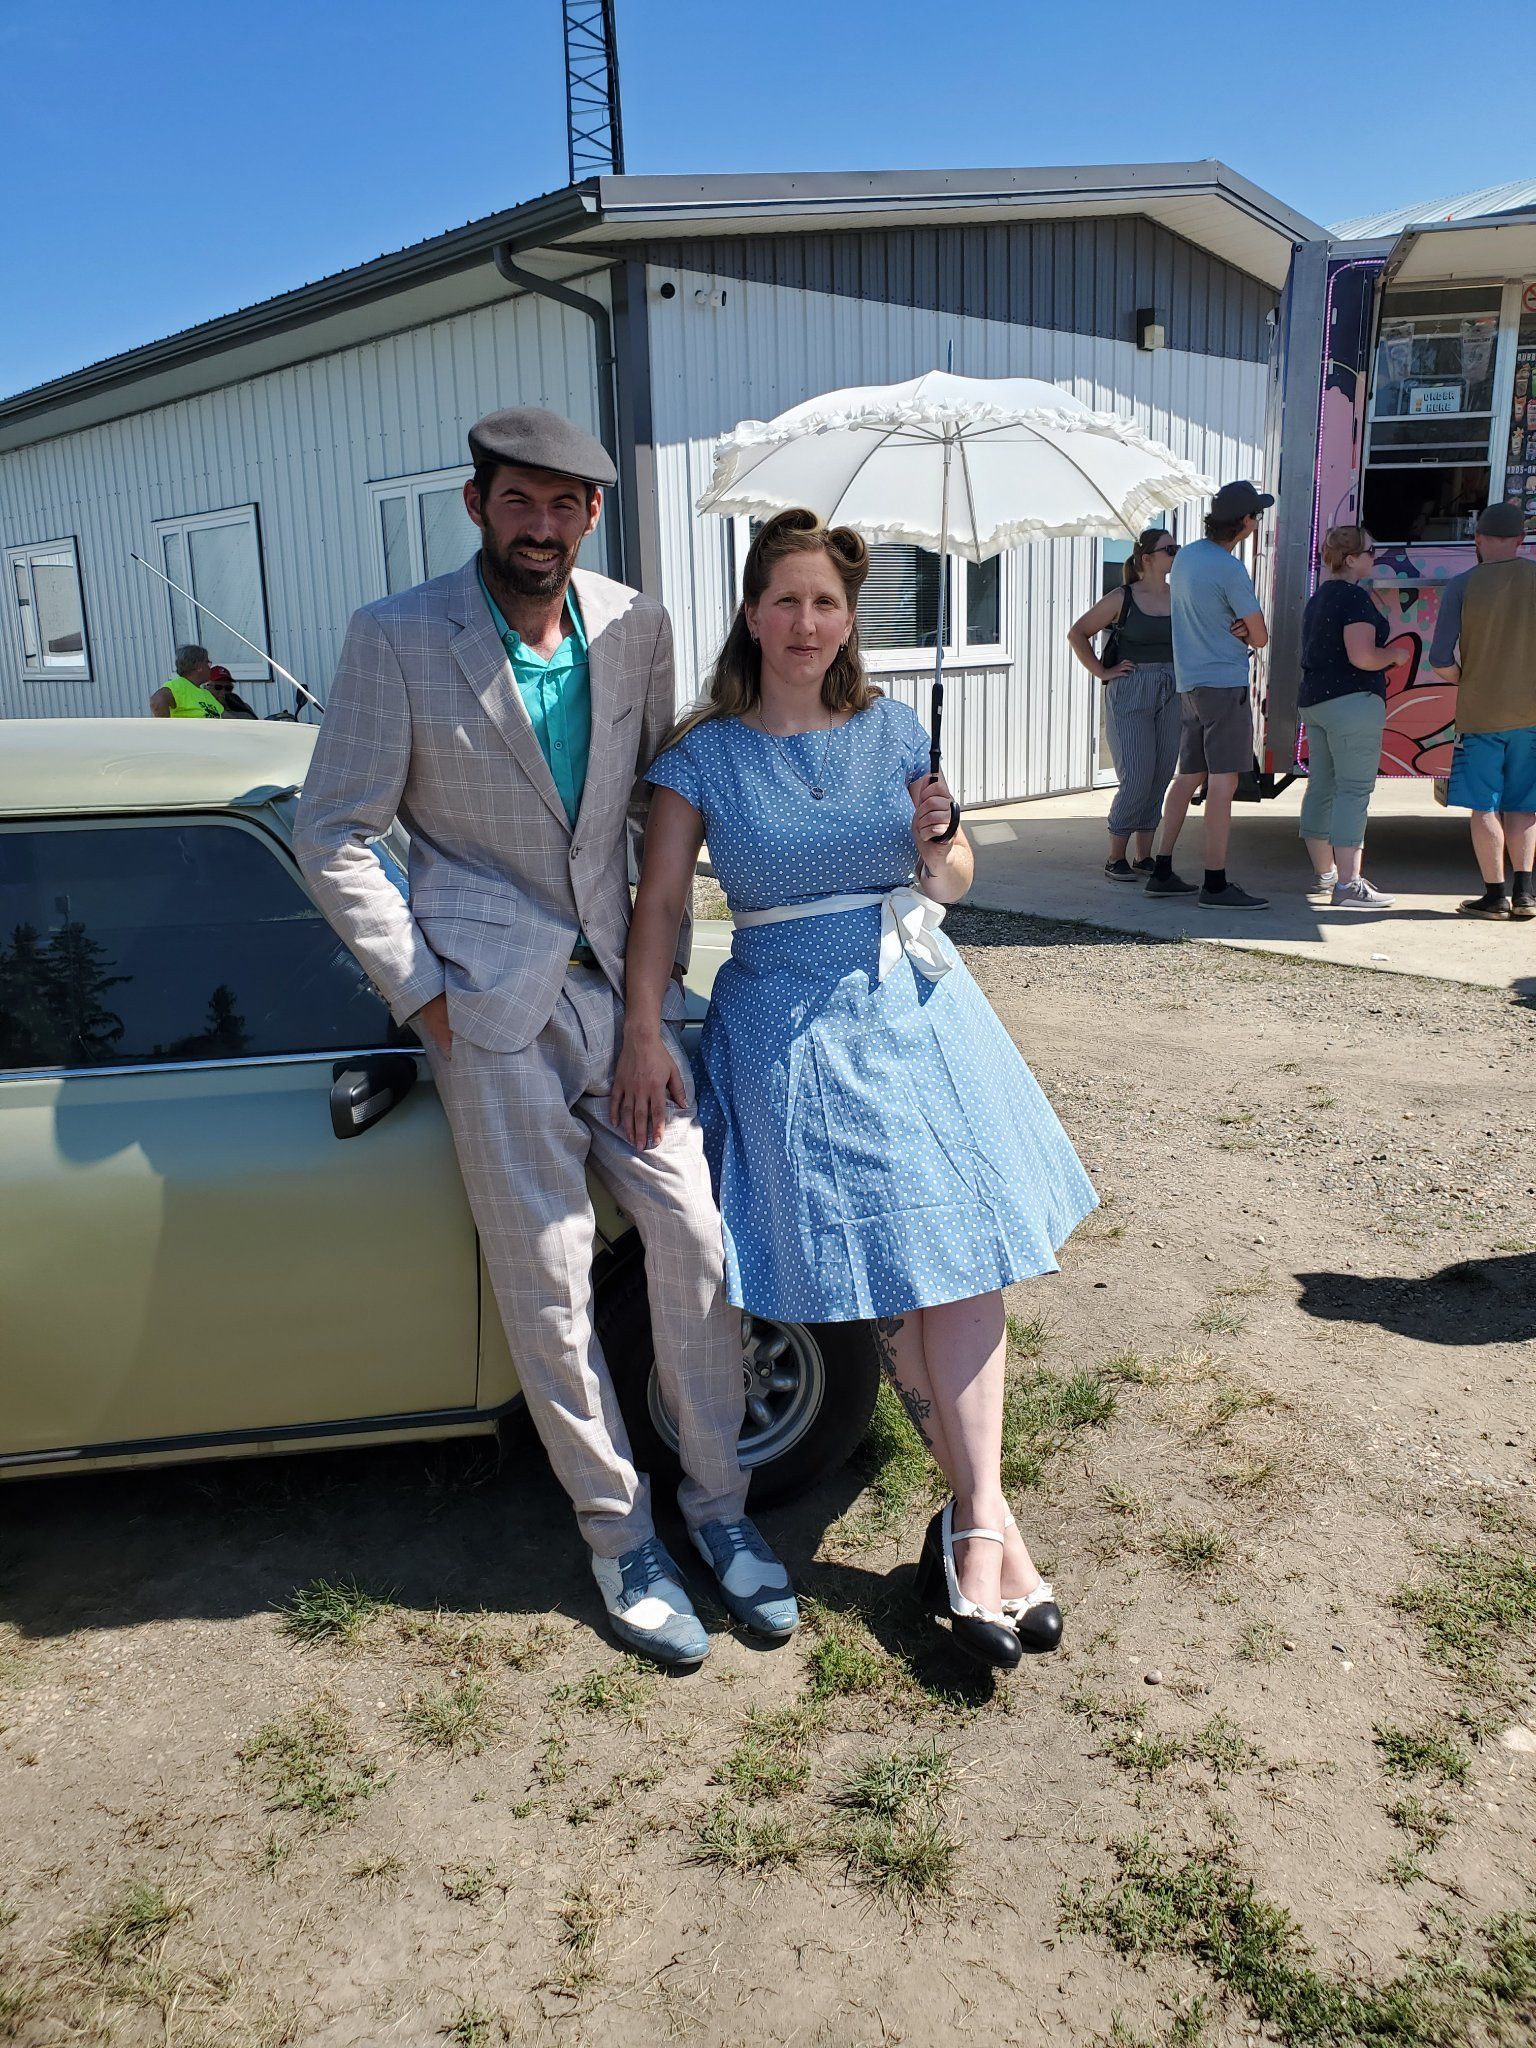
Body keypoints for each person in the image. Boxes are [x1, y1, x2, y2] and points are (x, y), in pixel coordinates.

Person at [295, 406, 794, 1668]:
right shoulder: (395, 635)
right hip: (488, 1009)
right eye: (519, 501)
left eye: (565, 505)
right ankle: (618, 1531)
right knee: (550, 1276)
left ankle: (719, 1508)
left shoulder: (634, 626)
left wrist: (648, 1004)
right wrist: (428, 994)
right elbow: (333, 829)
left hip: (623, 1000)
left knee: (692, 1228)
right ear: (478, 505)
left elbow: (643, 823)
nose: (542, 525)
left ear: (591, 516)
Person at [615, 509, 1098, 1674]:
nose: (806, 622)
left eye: (825, 603)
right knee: (893, 1274)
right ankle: (992, 1531)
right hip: (789, 1021)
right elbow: (664, 907)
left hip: (920, 1010)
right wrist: (641, 1025)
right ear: (750, 610)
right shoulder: (705, 755)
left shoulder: (898, 728)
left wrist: (941, 841)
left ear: (849, 618)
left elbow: (955, 880)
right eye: (784, 599)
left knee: (965, 1259)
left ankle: (978, 1521)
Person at [1145, 481, 1273, 909]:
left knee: (1189, 777)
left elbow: (1205, 611)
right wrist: (1244, 628)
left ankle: (1160, 868)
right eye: (1256, 515)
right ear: (1245, 522)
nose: (1257, 522)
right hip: (1223, 681)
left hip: (1191, 682)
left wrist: (1233, 622)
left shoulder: (1188, 558)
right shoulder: (1229, 568)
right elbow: (1260, 635)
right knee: (1224, 782)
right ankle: (1215, 883)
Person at [1428, 501, 1536, 921]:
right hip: (1531, 713)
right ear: (1521, 540)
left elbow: (1439, 659)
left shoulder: (1462, 584)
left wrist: (1468, 680)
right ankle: (1526, 894)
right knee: (1525, 805)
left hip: (1480, 714)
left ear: (1478, 540)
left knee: (1484, 805)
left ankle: (1495, 896)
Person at [1297, 527, 1414, 908]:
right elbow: (1363, 656)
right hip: (1352, 701)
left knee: (1323, 786)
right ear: (1350, 559)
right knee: (1353, 790)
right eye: (1370, 550)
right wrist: (1395, 655)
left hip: (1315, 701)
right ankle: (1348, 885)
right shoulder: (1355, 599)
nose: (1374, 556)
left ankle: (1325, 874)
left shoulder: (1319, 598)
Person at [1067, 530, 1180, 879]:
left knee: (1161, 775)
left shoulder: (1180, 596)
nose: (1176, 554)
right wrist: (1103, 670)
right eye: (1170, 549)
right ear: (1147, 559)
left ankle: (1143, 857)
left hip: (1173, 687)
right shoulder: (1123, 597)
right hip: (1132, 688)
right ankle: (1116, 855)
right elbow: (1078, 633)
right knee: (1137, 775)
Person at [150, 644, 223, 717]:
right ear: (198, 666)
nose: (209, 667)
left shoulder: (206, 694)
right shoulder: (179, 685)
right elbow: (157, 701)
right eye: (207, 663)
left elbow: (223, 716)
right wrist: (166, 726)